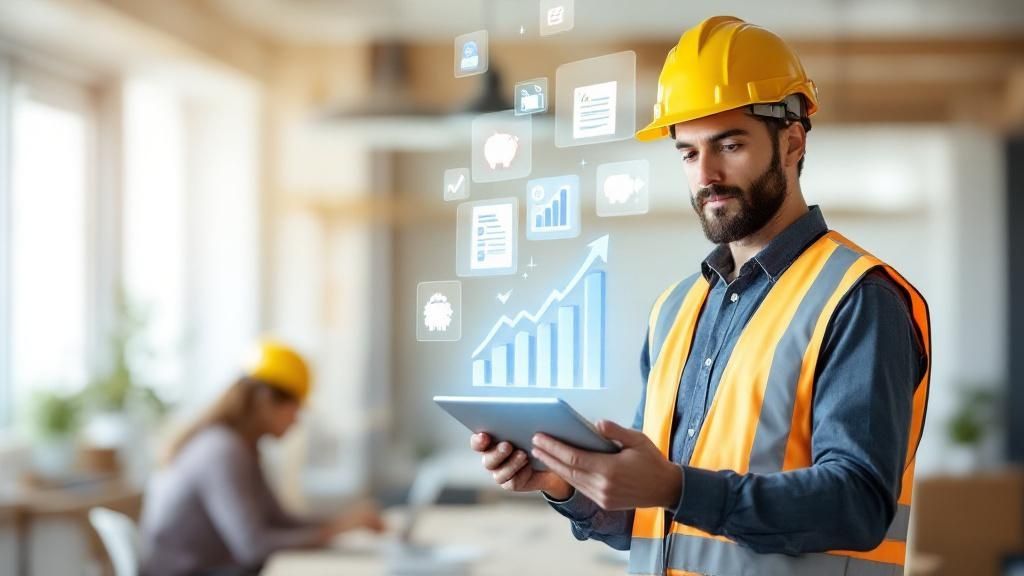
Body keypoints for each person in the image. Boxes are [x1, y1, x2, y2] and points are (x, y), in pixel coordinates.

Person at [471, 15, 930, 576]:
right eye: (688, 153)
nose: (706, 174)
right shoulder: (676, 311)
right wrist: (574, 487)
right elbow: (657, 518)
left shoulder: (858, 299)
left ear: (791, 142)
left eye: (729, 144)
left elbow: (857, 507)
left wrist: (675, 486)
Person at [140, 339, 386, 576]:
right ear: (265, 398)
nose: (296, 420)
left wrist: (343, 522)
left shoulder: (242, 448)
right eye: (296, 408)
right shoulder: (223, 451)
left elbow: (279, 520)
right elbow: (254, 548)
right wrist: (337, 530)